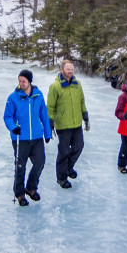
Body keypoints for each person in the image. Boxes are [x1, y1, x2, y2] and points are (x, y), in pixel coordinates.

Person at [3, 69, 51, 206]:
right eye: (19, 81)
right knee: (20, 166)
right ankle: (19, 194)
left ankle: (31, 187)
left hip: (36, 137)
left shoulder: (38, 95)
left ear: (29, 81)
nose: (21, 83)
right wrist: (13, 127)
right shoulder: (13, 97)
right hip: (20, 137)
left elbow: (44, 115)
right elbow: (7, 116)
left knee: (40, 162)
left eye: (23, 81)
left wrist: (47, 133)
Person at [47, 59, 89, 189]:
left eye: (72, 69)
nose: (70, 71)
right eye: (67, 69)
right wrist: (50, 122)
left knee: (79, 147)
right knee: (64, 152)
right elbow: (50, 107)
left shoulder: (77, 84)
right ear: (62, 70)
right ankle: (61, 178)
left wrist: (85, 117)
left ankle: (69, 168)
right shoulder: (55, 86)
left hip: (76, 123)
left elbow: (82, 101)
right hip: (63, 125)